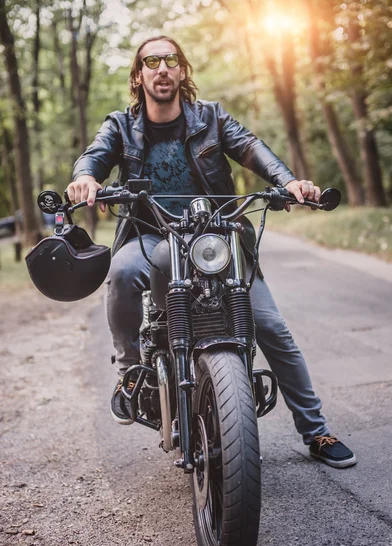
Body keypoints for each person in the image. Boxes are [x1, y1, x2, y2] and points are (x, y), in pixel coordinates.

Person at [67, 35, 356, 469]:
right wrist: (86, 178)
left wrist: (289, 180)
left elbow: (252, 148)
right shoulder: (120, 126)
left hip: (217, 235)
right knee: (122, 273)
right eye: (152, 61)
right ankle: (130, 373)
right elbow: (94, 158)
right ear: (139, 74)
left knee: (271, 327)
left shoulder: (212, 118)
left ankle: (315, 431)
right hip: (150, 234)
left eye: (170, 60)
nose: (162, 68)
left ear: (182, 71)